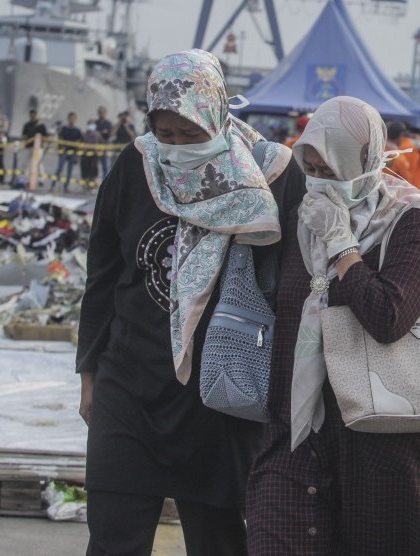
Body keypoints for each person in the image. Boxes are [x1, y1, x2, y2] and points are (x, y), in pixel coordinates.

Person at [77, 48, 305, 556]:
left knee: (219, 542)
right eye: (167, 134)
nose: (176, 147)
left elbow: (298, 286)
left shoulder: (270, 175)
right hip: (130, 384)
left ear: (217, 114)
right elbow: (103, 278)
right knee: (113, 537)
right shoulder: (135, 167)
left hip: (221, 396)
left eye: (191, 134)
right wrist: (90, 376)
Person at [246, 95, 420, 555]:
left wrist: (342, 246)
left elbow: (387, 317)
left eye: (329, 170)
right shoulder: (302, 218)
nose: (316, 181)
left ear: (364, 160)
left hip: (380, 444)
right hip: (297, 432)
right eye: (308, 166)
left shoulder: (410, 221)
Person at [50, 112, 83, 192]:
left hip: (72, 153)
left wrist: (77, 155)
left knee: (69, 171)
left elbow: (79, 143)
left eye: (73, 118)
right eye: (70, 118)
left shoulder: (77, 131)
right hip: (64, 152)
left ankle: (66, 187)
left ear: (75, 120)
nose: (72, 120)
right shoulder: (63, 129)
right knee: (59, 169)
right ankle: (52, 186)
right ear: (68, 119)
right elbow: (60, 140)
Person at [21, 109, 49, 186]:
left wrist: (41, 143)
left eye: (34, 115)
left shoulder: (41, 126)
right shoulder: (27, 125)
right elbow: (24, 135)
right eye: (31, 115)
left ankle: (41, 179)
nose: (33, 117)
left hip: (38, 148)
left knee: (38, 164)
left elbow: (46, 136)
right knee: (25, 164)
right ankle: (24, 179)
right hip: (28, 147)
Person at [80, 120, 101, 187]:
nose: (91, 126)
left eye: (92, 124)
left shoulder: (98, 134)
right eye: (90, 124)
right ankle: (84, 186)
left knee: (93, 171)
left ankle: (92, 187)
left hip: (94, 156)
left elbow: (102, 144)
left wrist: (98, 150)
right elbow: (80, 143)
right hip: (85, 156)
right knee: (85, 171)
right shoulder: (84, 134)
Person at [95, 106, 113, 177]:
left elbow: (109, 134)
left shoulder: (108, 123)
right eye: (100, 112)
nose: (101, 114)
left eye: (103, 112)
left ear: (105, 113)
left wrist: (100, 133)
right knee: (94, 167)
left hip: (105, 148)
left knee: (105, 167)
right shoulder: (95, 123)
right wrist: (103, 132)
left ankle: (105, 185)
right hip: (96, 148)